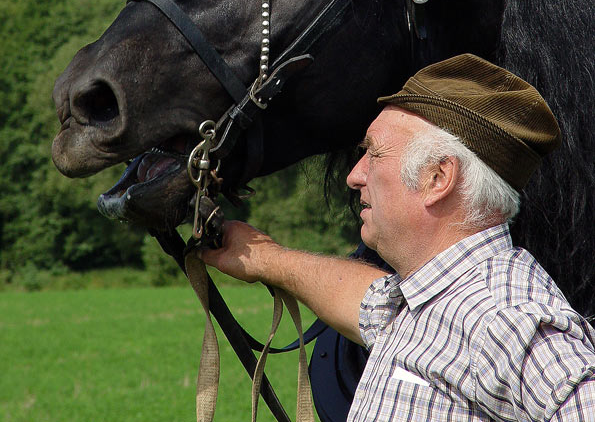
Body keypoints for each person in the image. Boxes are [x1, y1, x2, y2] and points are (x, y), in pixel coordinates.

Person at [200, 54, 595, 420]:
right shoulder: (420, 299)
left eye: (374, 153)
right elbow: (363, 297)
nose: (355, 175)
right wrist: (263, 257)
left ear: (437, 178)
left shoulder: (509, 320)